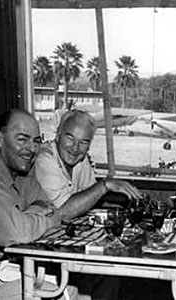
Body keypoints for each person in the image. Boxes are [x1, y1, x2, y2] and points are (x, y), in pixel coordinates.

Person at [0, 109, 142, 300]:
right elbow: (23, 231)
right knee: (57, 294)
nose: (31, 149)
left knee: (75, 288)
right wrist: (40, 217)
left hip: (4, 262)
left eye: (36, 141)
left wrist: (31, 217)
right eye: (22, 139)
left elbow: (48, 206)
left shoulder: (21, 175)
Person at [34, 109, 142, 300]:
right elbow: (64, 211)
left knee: (121, 268)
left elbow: (89, 198)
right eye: (70, 138)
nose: (75, 148)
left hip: (63, 241)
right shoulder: (45, 158)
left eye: (84, 142)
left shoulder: (80, 161)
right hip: (37, 247)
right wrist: (106, 184)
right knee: (109, 271)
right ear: (58, 135)